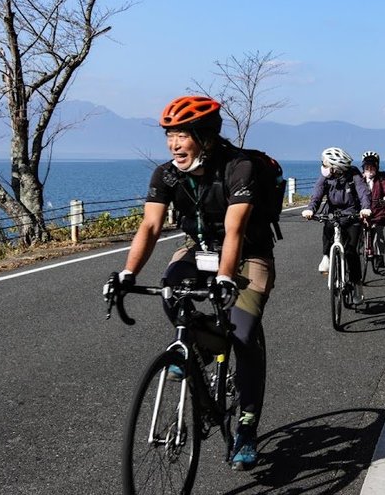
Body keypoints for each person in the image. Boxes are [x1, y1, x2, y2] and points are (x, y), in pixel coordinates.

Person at [104, 95, 275, 471]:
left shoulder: (238, 168)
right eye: (169, 136)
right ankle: (195, 348)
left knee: (243, 334)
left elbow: (235, 229)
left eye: (182, 135)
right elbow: (149, 226)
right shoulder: (166, 174)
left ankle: (246, 427)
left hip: (248, 252)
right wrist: (128, 273)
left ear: (206, 136)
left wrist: (227, 278)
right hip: (197, 248)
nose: (174, 144)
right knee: (170, 288)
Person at [301, 147, 372, 297]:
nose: (324, 167)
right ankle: (326, 256)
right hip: (333, 214)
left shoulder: (353, 175)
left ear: (336, 167)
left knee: (351, 252)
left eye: (326, 164)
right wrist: (311, 209)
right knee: (327, 228)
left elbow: (363, 192)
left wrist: (365, 208)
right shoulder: (325, 178)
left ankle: (357, 285)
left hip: (352, 215)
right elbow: (317, 193)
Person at [359, 151, 385, 269]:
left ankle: (379, 256)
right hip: (362, 210)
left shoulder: (382, 176)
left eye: (372, 166)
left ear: (376, 167)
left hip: (378, 210)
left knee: (378, 231)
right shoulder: (359, 178)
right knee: (355, 229)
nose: (369, 169)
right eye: (366, 167)